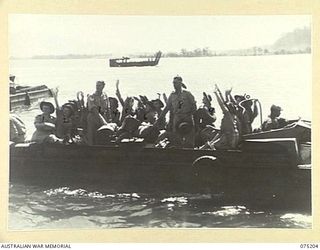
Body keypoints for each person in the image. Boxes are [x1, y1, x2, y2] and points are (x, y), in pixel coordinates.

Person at [155, 76, 197, 148]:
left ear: (181, 83)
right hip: (177, 118)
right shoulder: (172, 95)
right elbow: (167, 108)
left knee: (189, 137)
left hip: (187, 117)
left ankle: (190, 151)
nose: (174, 85)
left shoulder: (187, 94)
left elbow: (194, 107)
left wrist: (190, 115)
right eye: (173, 83)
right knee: (177, 138)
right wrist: (160, 118)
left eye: (176, 83)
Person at [202, 84, 240, 150]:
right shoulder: (232, 116)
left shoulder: (228, 115)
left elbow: (221, 104)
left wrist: (216, 94)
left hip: (229, 139)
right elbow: (221, 132)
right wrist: (220, 92)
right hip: (230, 137)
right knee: (209, 144)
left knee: (211, 146)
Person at [86, 81, 109, 145]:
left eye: (99, 85)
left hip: (103, 115)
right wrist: (102, 120)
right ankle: (91, 147)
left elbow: (108, 108)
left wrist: (108, 119)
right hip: (93, 116)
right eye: (97, 85)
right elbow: (93, 109)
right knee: (92, 133)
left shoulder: (105, 95)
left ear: (103, 86)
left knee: (103, 133)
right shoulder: (91, 96)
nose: (97, 87)